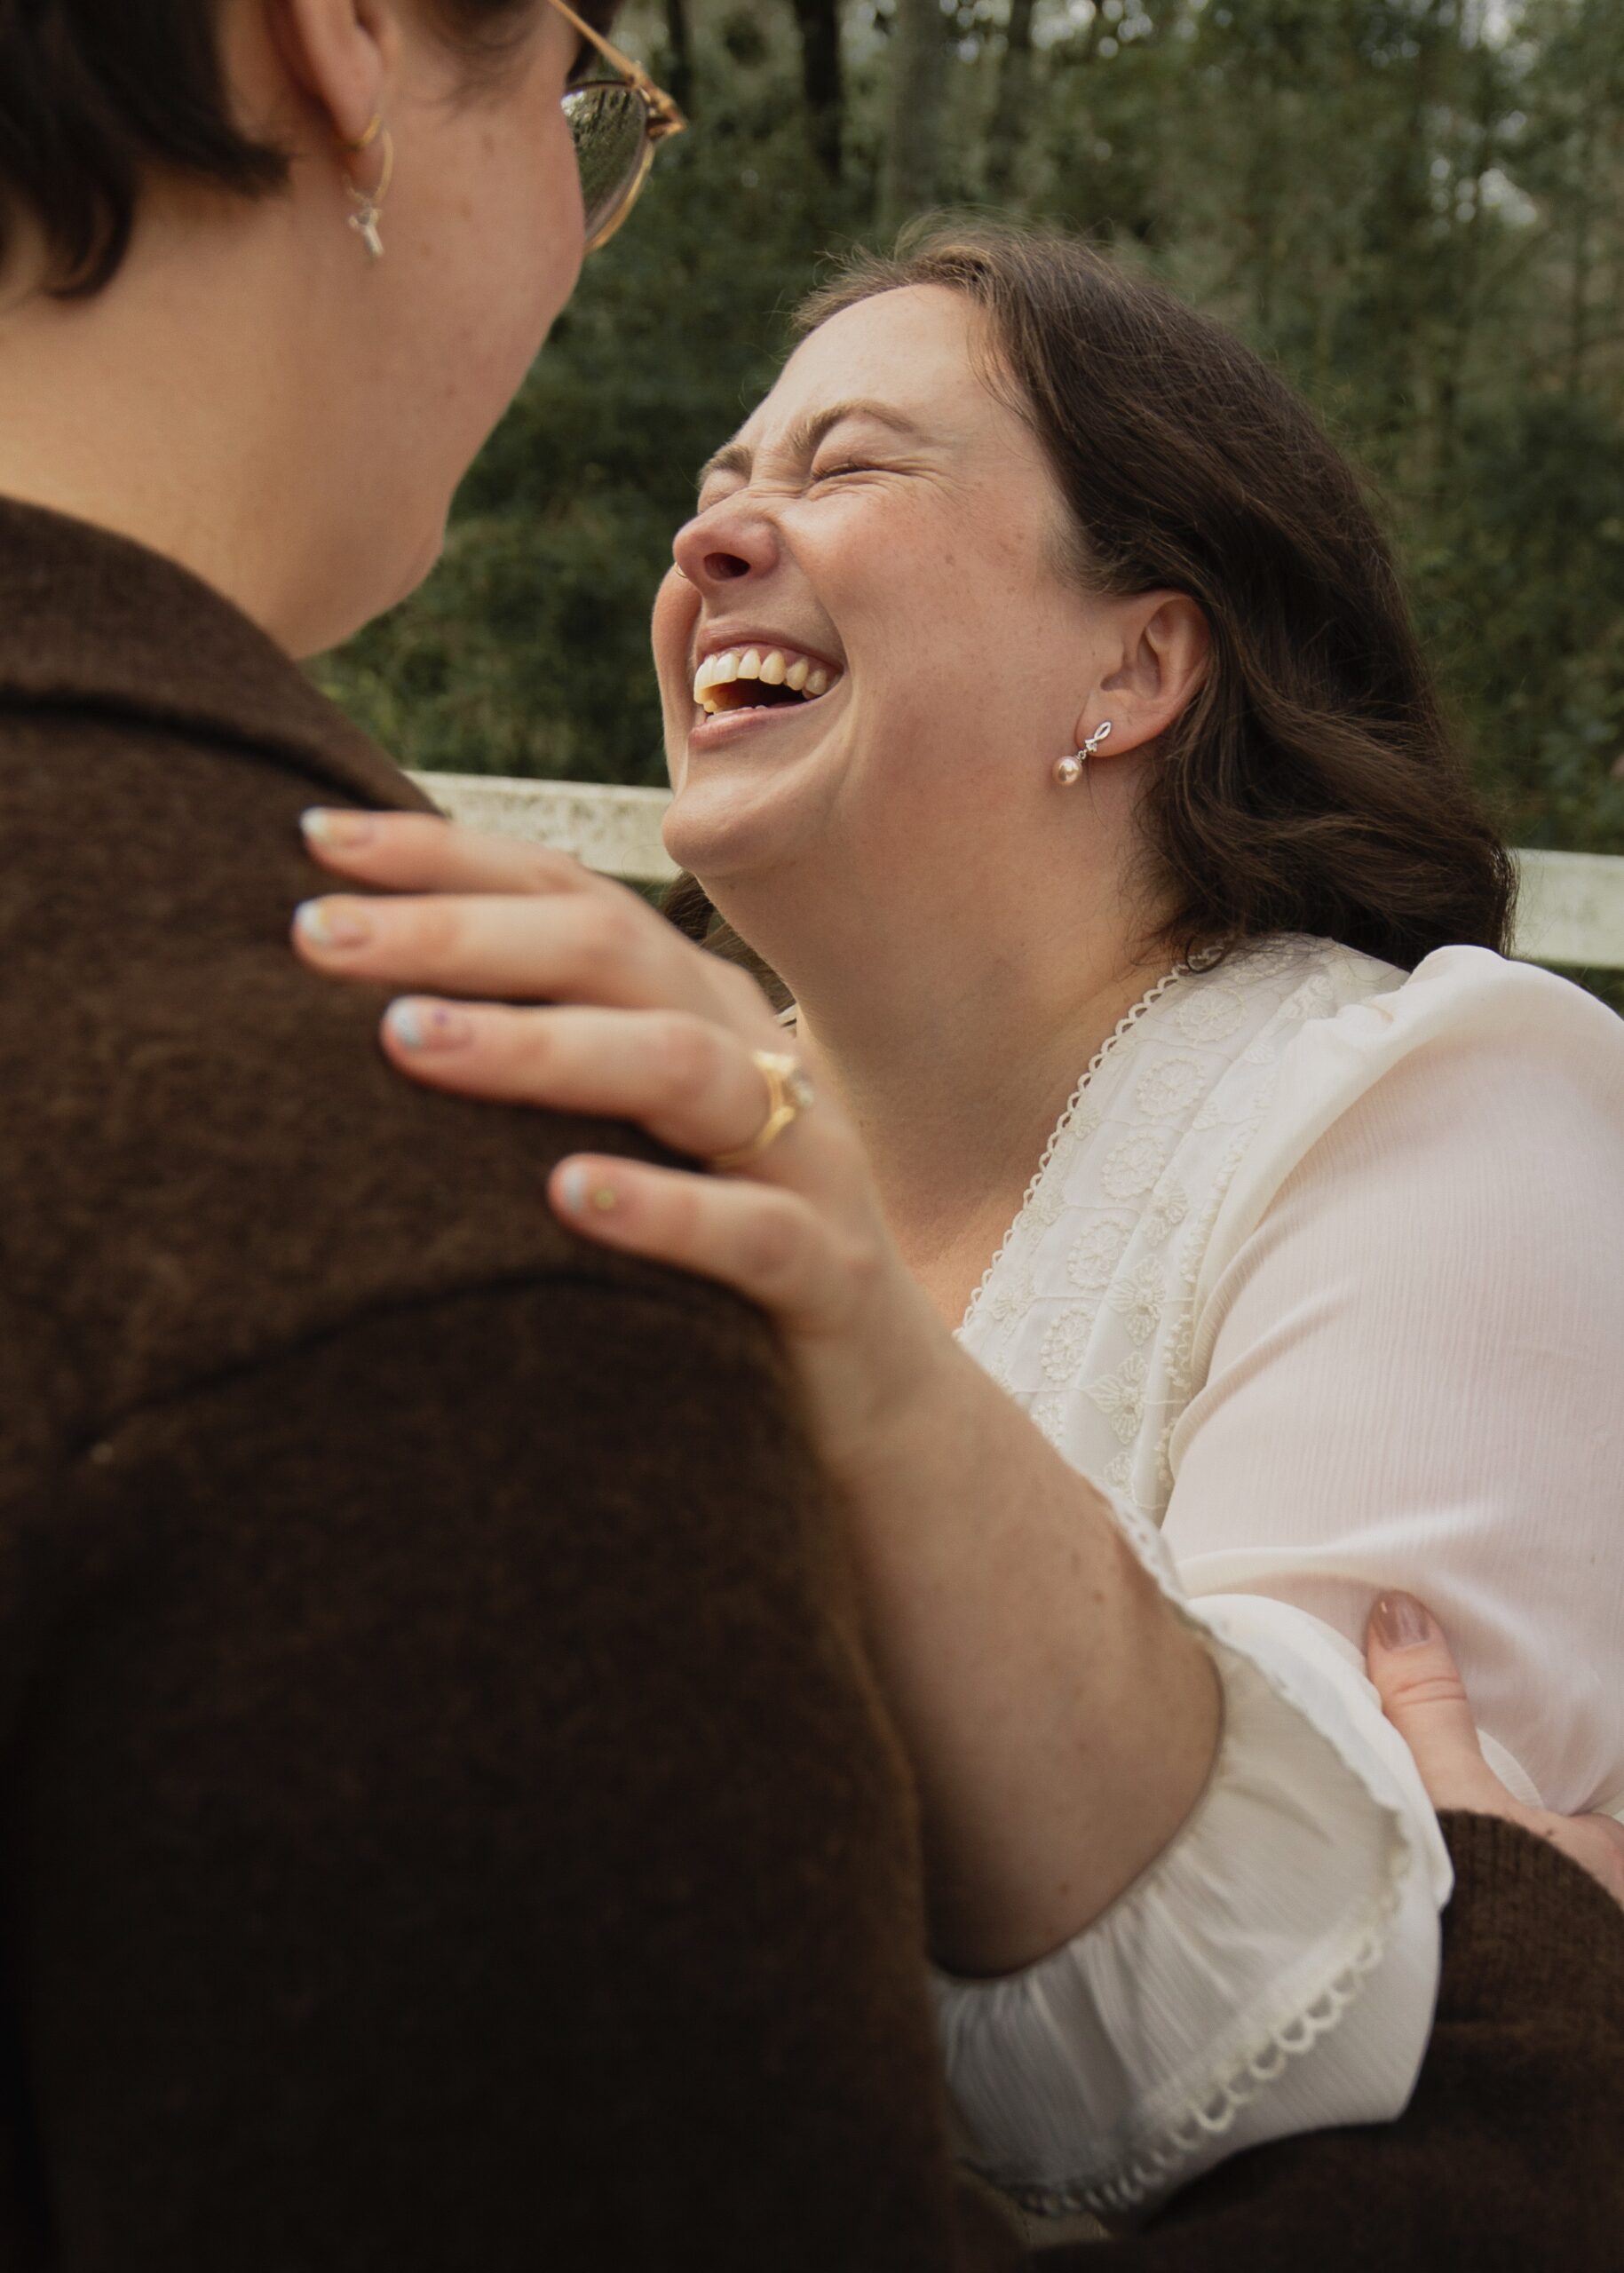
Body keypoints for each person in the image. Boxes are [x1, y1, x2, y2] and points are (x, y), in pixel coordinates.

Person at [294, 223, 1624, 2229]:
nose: (713, 540)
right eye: (722, 482)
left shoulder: (1433, 1101)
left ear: (1137, 660)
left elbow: (1312, 2042)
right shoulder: (601, 1139)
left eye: (844, 467)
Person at [0, 7, 1003, 2266]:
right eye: (579, 93)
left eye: (847, 467)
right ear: (342, 41)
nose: (714, 525)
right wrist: (1508, 2115)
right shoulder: (465, 1170)